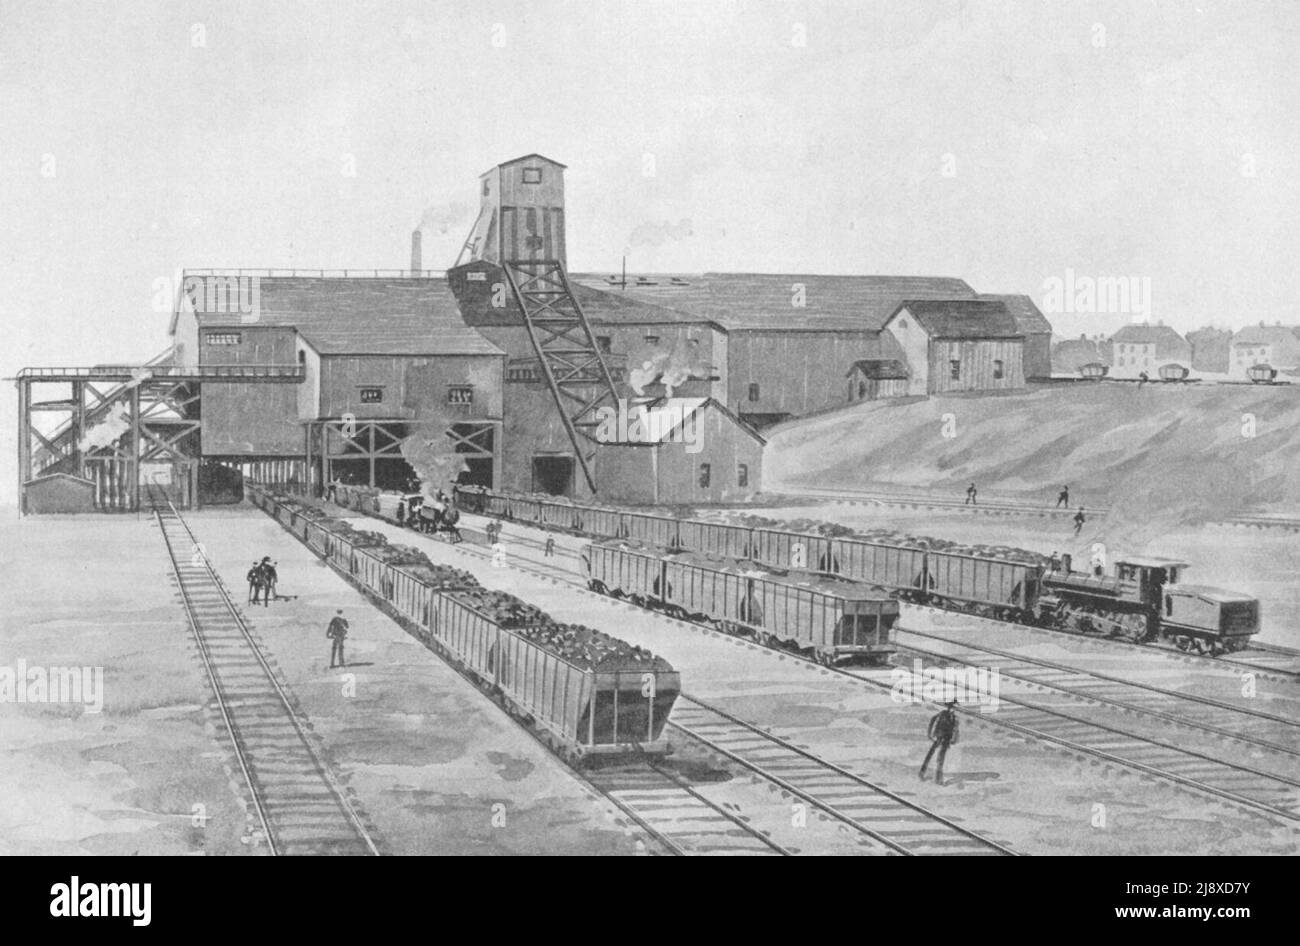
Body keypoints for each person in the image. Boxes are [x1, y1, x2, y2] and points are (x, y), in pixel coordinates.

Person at [920, 700, 960, 785]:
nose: (951, 709)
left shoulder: (954, 718)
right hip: (938, 737)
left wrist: (954, 739)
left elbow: (956, 729)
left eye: (953, 707)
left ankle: (938, 779)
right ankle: (922, 773)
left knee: (940, 759)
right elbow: (933, 722)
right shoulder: (942, 714)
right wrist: (930, 735)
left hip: (946, 740)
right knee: (930, 756)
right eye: (950, 707)